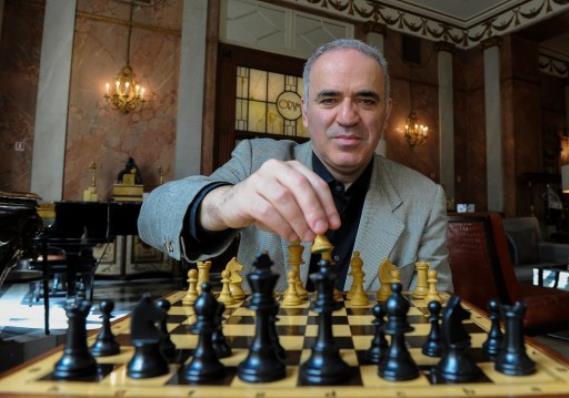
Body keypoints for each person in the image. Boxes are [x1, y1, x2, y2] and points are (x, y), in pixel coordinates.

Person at [138, 39, 451, 292]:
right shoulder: (256, 160)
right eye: (328, 99)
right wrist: (222, 204)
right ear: (304, 112)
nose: (347, 117)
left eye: (366, 101)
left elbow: (436, 309)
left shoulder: (424, 198)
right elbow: (151, 215)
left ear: (386, 114)